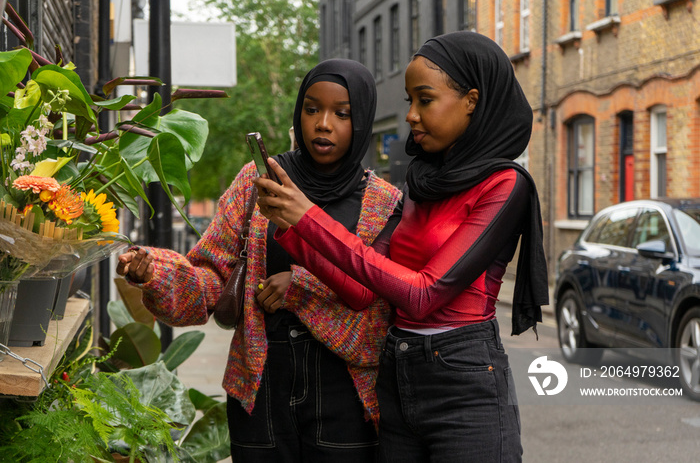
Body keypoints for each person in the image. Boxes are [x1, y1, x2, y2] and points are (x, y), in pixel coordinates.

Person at [256, 31, 549, 462]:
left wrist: (308, 218)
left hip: (464, 380)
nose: (410, 115)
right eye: (410, 100)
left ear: (471, 99)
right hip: (397, 372)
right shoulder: (423, 181)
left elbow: (423, 293)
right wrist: (290, 229)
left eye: (424, 100)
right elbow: (361, 290)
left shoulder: (505, 184)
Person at [116, 59, 402, 462]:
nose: (323, 124)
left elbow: (378, 302)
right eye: (311, 108)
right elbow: (212, 278)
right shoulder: (258, 183)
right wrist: (157, 273)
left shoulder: (383, 203)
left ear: (363, 121)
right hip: (261, 387)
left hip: (346, 396)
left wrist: (300, 286)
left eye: (342, 114)